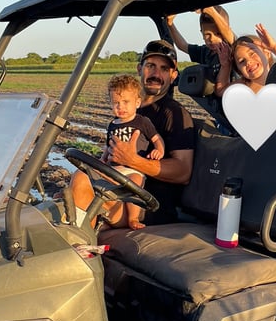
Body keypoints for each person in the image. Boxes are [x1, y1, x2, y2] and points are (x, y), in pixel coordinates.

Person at [70, 40, 195, 227]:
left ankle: (80, 245)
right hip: (119, 186)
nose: (156, 74)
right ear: (139, 69)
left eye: (164, 69)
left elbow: (183, 172)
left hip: (146, 204)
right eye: (151, 66)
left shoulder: (174, 114)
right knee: (74, 184)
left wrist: (133, 160)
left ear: (173, 75)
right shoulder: (129, 111)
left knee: (81, 183)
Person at [70, 73, 165, 229]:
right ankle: (80, 223)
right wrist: (102, 160)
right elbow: (109, 145)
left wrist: (159, 150)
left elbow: (156, 138)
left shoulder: (142, 122)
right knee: (81, 175)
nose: (120, 107)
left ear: (137, 102)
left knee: (135, 180)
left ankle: (133, 218)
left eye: (126, 102)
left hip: (133, 168)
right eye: (116, 103)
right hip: (114, 168)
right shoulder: (113, 124)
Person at [215, 23, 276, 95]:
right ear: (239, 71)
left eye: (252, 54)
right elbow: (220, 91)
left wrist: (274, 47)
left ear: (267, 53)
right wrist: (226, 66)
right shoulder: (243, 85)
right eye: (242, 61)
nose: (248, 62)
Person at [165, 6, 235, 84]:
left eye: (218, 33)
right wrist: (170, 24)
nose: (212, 39)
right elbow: (182, 45)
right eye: (207, 34)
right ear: (201, 32)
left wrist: (210, 10)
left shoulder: (232, 48)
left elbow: (227, 32)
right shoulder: (204, 52)